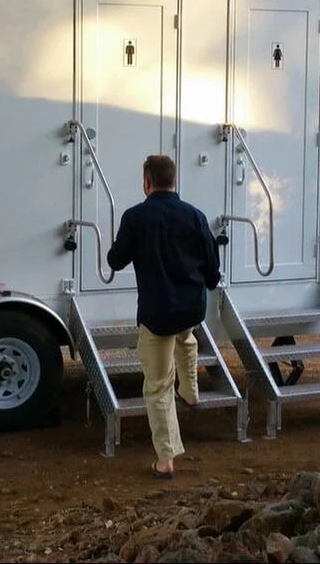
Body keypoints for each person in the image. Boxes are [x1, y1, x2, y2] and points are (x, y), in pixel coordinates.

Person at [107, 154, 221, 478]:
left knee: (157, 387)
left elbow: (116, 261)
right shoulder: (196, 216)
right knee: (186, 334)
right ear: (174, 181)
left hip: (157, 314)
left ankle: (166, 459)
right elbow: (213, 273)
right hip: (191, 308)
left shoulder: (136, 217)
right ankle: (192, 391)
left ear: (146, 182)